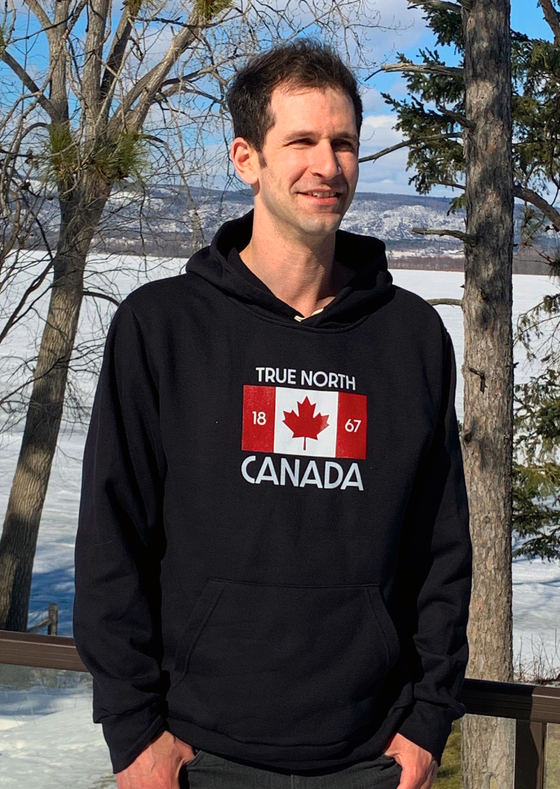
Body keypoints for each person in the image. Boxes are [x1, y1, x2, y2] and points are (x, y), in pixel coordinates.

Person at [73, 39, 472, 789]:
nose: (327, 164)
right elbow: (110, 542)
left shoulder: (410, 336)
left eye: (344, 142)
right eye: (302, 141)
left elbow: (442, 548)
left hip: (371, 757)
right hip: (198, 754)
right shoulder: (162, 328)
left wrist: (427, 722)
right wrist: (133, 734)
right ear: (246, 158)